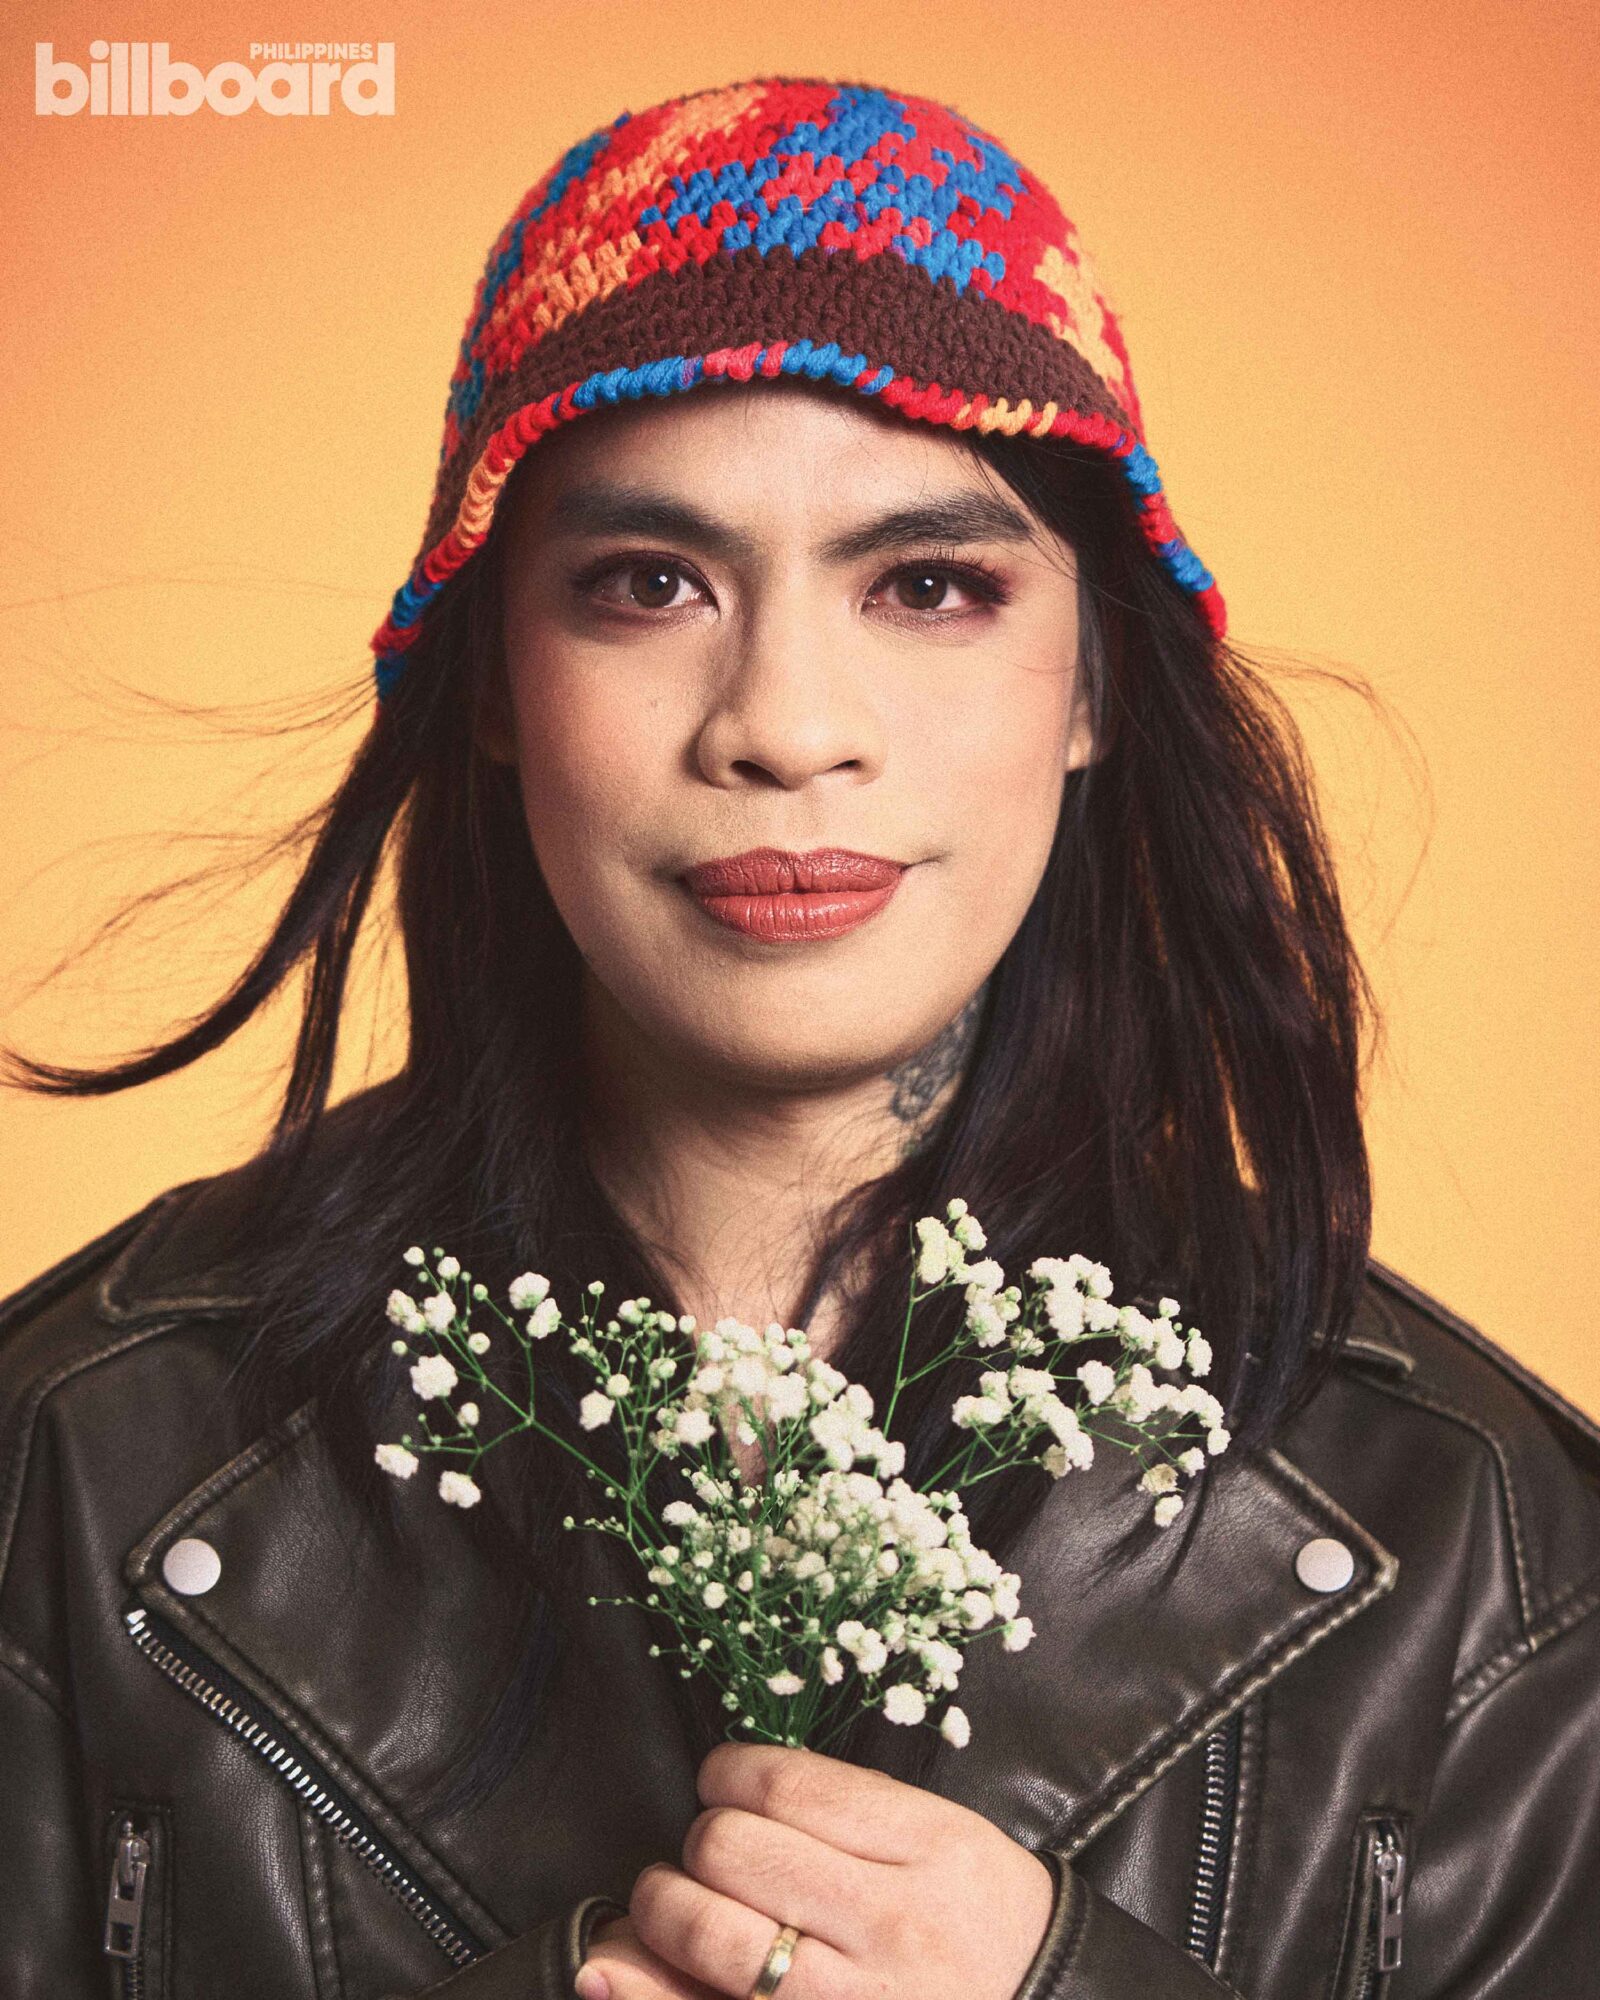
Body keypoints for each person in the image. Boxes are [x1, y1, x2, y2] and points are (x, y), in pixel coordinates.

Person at [1, 73, 1597, 2000]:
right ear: (496, 677)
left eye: (928, 586)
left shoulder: (1473, 1540)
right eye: (648, 585)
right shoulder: (82, 1457)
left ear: (1092, 684)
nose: (783, 723)